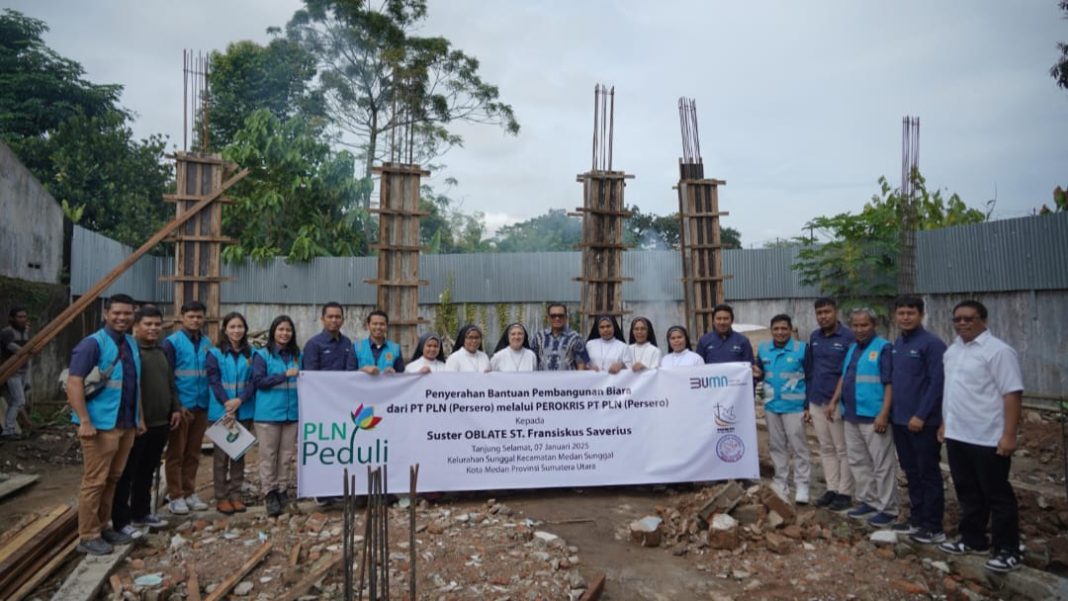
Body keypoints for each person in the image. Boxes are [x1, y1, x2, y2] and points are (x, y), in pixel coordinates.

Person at [938, 300, 1025, 573]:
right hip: (958, 434)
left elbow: (1012, 393)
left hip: (987, 436)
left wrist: (1009, 435)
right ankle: (973, 539)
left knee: (997, 494)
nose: (963, 323)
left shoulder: (998, 352)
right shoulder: (953, 351)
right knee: (967, 490)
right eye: (958, 319)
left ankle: (1008, 549)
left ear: (983, 320)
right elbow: (952, 391)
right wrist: (944, 423)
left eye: (969, 319)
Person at [66, 293, 142, 555]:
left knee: (113, 479)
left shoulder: (131, 343)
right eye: (117, 313)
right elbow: (74, 382)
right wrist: (84, 420)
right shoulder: (92, 344)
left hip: (125, 423)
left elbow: (134, 384)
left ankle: (103, 526)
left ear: (134, 315)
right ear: (106, 314)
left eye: (127, 313)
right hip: (100, 426)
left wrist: (138, 419)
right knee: (95, 481)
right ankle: (88, 535)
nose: (122, 317)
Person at [111, 306, 181, 539]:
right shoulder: (129, 352)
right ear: (136, 326)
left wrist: (175, 408)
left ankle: (141, 513)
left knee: (147, 471)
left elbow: (170, 383)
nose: (153, 329)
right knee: (126, 473)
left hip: (161, 422)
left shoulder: (160, 352)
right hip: (137, 424)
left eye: (157, 324)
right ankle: (121, 520)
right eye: (148, 324)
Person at [827, 307, 897, 528]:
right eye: (855, 325)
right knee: (858, 461)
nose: (859, 329)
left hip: (874, 416)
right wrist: (834, 400)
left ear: (874, 325)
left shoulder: (884, 348)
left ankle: (888, 508)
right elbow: (845, 376)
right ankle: (870, 500)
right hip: (851, 414)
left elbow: (889, 383)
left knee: (882, 464)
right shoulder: (853, 348)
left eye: (864, 325)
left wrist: (884, 414)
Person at [888, 296, 947, 543]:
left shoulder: (932, 344)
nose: (905, 317)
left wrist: (921, 415)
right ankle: (917, 518)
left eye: (910, 313)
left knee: (928, 473)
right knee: (911, 472)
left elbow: (937, 383)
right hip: (900, 421)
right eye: (901, 313)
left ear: (920, 314)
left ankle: (934, 526)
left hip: (922, 422)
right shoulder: (898, 343)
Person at [162, 300, 214, 515]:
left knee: (193, 452)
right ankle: (175, 495)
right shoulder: (171, 343)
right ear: (182, 317)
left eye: (199, 316)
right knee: (176, 453)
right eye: (191, 316)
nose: (195, 320)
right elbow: (168, 377)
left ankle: (189, 491)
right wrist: (177, 405)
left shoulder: (207, 343)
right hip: (181, 408)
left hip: (201, 405)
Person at [806, 297, 855, 511]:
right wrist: (808, 402)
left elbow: (848, 372)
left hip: (837, 403)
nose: (823, 316)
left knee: (842, 448)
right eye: (819, 313)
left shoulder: (848, 337)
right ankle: (832, 488)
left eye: (827, 312)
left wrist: (835, 400)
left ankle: (845, 492)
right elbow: (811, 370)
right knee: (825, 448)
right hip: (817, 400)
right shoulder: (815, 336)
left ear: (836, 312)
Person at [757, 314, 811, 504]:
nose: (780, 332)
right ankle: (781, 482)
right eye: (776, 329)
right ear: (771, 330)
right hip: (772, 405)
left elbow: (810, 377)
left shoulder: (802, 349)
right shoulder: (763, 349)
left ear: (790, 329)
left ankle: (802, 485)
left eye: (784, 328)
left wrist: (807, 406)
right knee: (776, 446)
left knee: (799, 447)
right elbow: (760, 373)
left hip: (794, 406)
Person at [205, 312, 256, 515]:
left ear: (245, 330)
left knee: (239, 454)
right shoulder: (215, 353)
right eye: (232, 327)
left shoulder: (250, 354)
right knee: (220, 458)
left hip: (244, 410)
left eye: (240, 327)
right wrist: (228, 404)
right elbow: (214, 380)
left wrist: (240, 400)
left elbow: (253, 381)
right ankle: (221, 497)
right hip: (221, 411)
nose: (236, 330)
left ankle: (235, 495)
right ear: (225, 329)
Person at [252, 315, 301, 517]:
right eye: (281, 329)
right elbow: (258, 381)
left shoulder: (298, 355)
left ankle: (282, 490)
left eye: (288, 330)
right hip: (268, 414)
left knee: (286, 456)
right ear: (273, 332)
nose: (284, 333)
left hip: (292, 413)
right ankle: (269, 492)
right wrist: (284, 376)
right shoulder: (262, 355)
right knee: (268, 455)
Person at [695, 304, 762, 379]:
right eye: (718, 318)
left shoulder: (742, 341)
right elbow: (698, 369)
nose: (722, 322)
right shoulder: (704, 341)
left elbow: (750, 369)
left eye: (726, 318)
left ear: (732, 321)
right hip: (712, 388)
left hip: (736, 387)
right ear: (713, 321)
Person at [530, 303, 588, 371]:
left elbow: (581, 364)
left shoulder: (575, 338)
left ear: (566, 317)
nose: (557, 318)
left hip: (568, 381)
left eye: (560, 315)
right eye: (553, 316)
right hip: (544, 381)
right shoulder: (539, 337)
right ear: (548, 318)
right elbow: (532, 361)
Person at [1, 305, 31, 439]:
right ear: (12, 318)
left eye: (24, 317)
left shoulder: (25, 332)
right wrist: (27, 350)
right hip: (11, 371)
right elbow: (12, 347)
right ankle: (8, 430)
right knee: (19, 400)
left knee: (15, 400)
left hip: (23, 370)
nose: (23, 319)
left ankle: (9, 428)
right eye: (19, 317)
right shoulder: (7, 332)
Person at [302, 302, 357, 371]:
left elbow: (351, 369)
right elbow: (310, 374)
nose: (334, 320)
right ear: (322, 319)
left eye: (338, 317)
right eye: (330, 317)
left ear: (343, 320)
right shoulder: (313, 344)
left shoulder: (347, 342)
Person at [355, 310, 404, 374]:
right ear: (368, 325)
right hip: (362, 384)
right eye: (374, 324)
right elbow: (349, 374)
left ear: (386, 326)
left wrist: (393, 373)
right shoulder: (356, 348)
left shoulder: (395, 349)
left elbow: (402, 376)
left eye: (382, 324)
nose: (378, 327)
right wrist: (362, 370)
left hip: (387, 384)